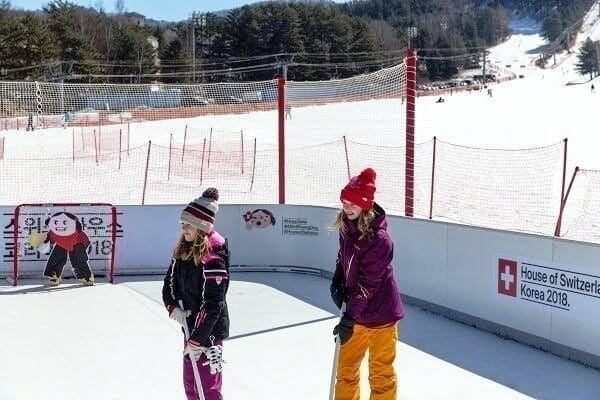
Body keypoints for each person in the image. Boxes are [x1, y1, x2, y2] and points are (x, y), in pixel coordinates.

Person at [330, 168, 405, 400]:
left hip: (381, 317)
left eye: (352, 203)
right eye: (344, 202)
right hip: (357, 314)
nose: (347, 207)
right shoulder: (346, 226)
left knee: (381, 376)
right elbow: (344, 258)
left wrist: (349, 318)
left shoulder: (380, 241)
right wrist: (337, 279)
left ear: (365, 204)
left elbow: (368, 284)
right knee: (345, 372)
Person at [162, 187, 230, 400]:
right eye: (182, 225)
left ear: (202, 227)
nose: (184, 230)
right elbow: (169, 283)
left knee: (208, 389)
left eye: (188, 225)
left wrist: (198, 340)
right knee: (191, 384)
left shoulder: (213, 258)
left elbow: (213, 304)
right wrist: (172, 306)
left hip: (208, 334)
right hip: (190, 329)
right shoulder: (183, 251)